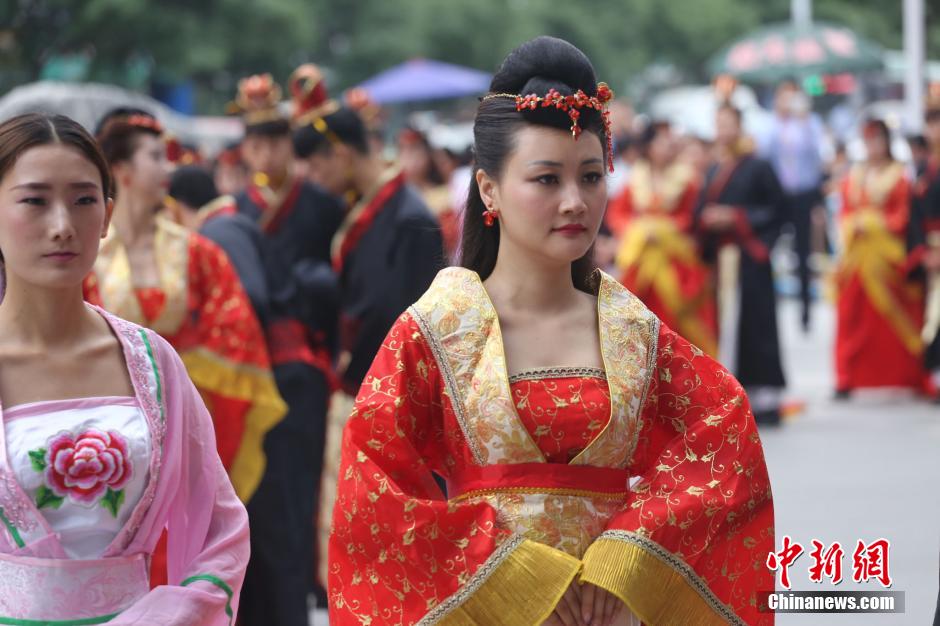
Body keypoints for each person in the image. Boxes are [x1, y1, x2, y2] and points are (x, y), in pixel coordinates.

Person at [328, 37, 773, 626]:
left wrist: (628, 560)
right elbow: (375, 489)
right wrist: (514, 576)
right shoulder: (436, 330)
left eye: (591, 176)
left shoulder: (631, 331)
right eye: (546, 179)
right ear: (488, 188)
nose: (575, 202)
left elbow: (723, 435)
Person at [0, 112, 248, 624]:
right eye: (34, 201)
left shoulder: (151, 363)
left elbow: (220, 527)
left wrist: (179, 612)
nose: (63, 226)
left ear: (107, 214)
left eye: (84, 200)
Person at [291, 69, 445, 592]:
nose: (314, 178)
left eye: (317, 164)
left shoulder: (407, 217)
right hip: (364, 386)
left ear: (340, 153)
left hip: (393, 400)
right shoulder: (368, 210)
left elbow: (393, 315)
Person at [84, 108, 285, 502]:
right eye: (156, 157)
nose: (169, 167)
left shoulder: (196, 252)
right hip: (110, 420)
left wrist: (175, 378)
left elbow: (235, 325)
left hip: (184, 415)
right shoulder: (89, 257)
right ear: (121, 169)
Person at [231, 71, 345, 623]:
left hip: (305, 364)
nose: (266, 153)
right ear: (245, 149)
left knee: (302, 488)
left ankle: (302, 593)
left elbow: (341, 284)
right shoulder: (235, 210)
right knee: (254, 491)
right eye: (256, 143)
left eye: (275, 141)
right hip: (249, 363)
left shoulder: (321, 204)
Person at [695, 103, 787, 425]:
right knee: (727, 322)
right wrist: (707, 219)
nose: (723, 130)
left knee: (757, 323)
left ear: (739, 126)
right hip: (723, 260)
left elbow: (777, 208)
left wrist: (736, 217)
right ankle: (730, 390)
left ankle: (766, 396)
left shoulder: (758, 166)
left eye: (728, 123)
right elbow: (700, 209)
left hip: (749, 257)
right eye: (718, 123)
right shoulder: (713, 169)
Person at [606, 121, 716, 355]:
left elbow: (692, 216)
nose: (668, 145)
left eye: (669, 141)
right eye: (661, 141)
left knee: (679, 315)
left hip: (675, 256)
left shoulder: (687, 180)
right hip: (642, 256)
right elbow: (618, 214)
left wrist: (664, 229)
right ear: (649, 146)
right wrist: (638, 229)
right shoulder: (635, 178)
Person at [834, 119, 926, 396]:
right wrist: (853, 225)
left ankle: (911, 374)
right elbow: (844, 212)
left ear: (887, 142)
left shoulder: (899, 177)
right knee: (850, 315)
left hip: (886, 256)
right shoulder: (854, 176)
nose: (872, 146)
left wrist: (872, 223)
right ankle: (846, 376)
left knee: (899, 314)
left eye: (877, 140)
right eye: (868, 140)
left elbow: (903, 216)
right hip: (856, 258)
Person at [758, 79, 825, 331]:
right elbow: (763, 154)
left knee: (803, 251)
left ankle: (806, 309)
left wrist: (803, 120)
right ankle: (768, 302)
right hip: (777, 196)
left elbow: (818, 154)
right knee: (768, 246)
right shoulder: (771, 125)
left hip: (803, 194)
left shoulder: (809, 123)